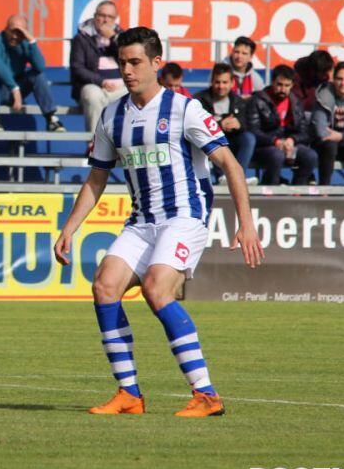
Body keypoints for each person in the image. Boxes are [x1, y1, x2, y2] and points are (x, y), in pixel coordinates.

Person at [54, 27, 262, 419]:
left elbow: (230, 164)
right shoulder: (111, 114)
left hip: (184, 216)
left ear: (156, 63)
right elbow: (97, 177)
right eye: (122, 63)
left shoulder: (185, 109)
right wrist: (70, 228)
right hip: (141, 222)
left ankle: (206, 395)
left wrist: (245, 223)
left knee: (156, 288)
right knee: (104, 286)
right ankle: (129, 394)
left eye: (135, 62)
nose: (128, 70)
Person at [0, 14, 64, 133]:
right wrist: (15, 88)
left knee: (37, 75)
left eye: (19, 33)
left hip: (15, 92)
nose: (14, 36)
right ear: (5, 29)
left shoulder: (24, 43)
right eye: (12, 31)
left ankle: (51, 119)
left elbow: (40, 67)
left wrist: (32, 42)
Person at [244, 65, 317, 186]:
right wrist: (275, 141)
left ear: (292, 85)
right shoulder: (258, 100)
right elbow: (253, 131)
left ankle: (297, 192)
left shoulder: (296, 102)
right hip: (264, 146)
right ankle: (270, 190)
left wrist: (292, 140)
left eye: (287, 85)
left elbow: (305, 132)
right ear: (272, 82)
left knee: (310, 156)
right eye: (279, 84)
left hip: (288, 145)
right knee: (277, 155)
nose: (282, 89)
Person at [69, 0, 124, 135]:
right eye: (102, 15)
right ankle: (95, 145)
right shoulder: (82, 38)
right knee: (93, 95)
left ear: (115, 19)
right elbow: (77, 68)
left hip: (120, 89)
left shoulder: (122, 38)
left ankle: (123, 145)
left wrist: (114, 39)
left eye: (110, 17)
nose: (105, 20)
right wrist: (102, 82)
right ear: (95, 16)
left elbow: (129, 59)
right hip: (94, 86)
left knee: (136, 95)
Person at [195, 63, 255, 180]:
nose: (221, 86)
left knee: (249, 138)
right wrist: (219, 125)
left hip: (232, 141)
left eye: (225, 82)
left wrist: (239, 125)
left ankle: (237, 177)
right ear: (212, 82)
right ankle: (225, 177)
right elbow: (196, 127)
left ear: (232, 83)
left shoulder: (238, 101)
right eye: (217, 82)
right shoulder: (199, 100)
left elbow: (250, 125)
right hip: (210, 143)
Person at [291, 49, 333, 113]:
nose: (328, 76)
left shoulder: (331, 74)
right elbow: (298, 104)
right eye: (324, 73)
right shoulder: (297, 81)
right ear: (314, 71)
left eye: (330, 70)